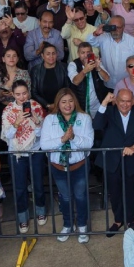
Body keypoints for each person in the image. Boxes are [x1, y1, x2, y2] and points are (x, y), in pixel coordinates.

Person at [40, 88, 94, 243]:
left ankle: (82, 226)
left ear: (75, 102)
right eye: (63, 102)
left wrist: (74, 137)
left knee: (80, 196)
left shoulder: (84, 118)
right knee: (65, 197)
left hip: (79, 165)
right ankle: (68, 224)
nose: (67, 105)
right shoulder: (50, 119)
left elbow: (89, 143)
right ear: (58, 103)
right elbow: (44, 145)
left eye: (70, 101)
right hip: (58, 167)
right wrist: (63, 139)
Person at [95, 89, 134, 234]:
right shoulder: (109, 111)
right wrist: (104, 103)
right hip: (111, 160)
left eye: (128, 101)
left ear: (133, 101)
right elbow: (97, 126)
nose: (125, 104)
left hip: (131, 160)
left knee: (131, 191)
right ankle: (118, 220)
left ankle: (130, 221)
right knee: (115, 192)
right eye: (122, 101)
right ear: (116, 101)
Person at [1, 81, 48, 233]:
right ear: (13, 95)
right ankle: (23, 218)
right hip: (17, 153)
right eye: (18, 94)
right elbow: (7, 136)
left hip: (35, 150)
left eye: (24, 93)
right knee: (20, 187)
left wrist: (36, 122)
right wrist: (17, 123)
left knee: (38, 184)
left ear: (28, 92)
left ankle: (41, 211)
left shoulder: (36, 107)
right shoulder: (8, 110)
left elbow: (42, 135)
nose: (22, 97)